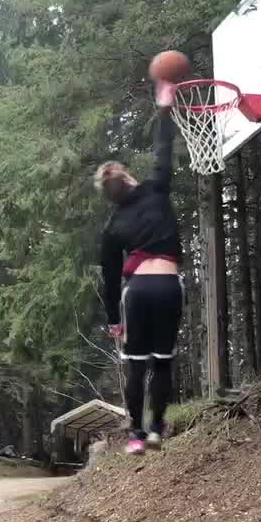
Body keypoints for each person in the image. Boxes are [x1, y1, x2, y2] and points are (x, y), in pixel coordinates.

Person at [96, 81, 182, 455]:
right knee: (162, 363)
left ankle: (134, 435)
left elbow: (110, 276)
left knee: (136, 365)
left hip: (137, 293)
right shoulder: (155, 189)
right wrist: (165, 108)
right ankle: (157, 430)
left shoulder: (113, 226)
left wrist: (113, 318)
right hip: (167, 287)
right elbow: (164, 152)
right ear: (129, 178)